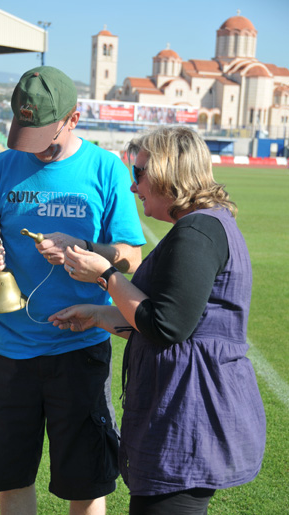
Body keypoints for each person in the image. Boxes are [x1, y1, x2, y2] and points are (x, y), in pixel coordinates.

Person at [0, 66, 146, 515]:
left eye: (44, 135)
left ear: (72, 119)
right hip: (10, 352)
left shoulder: (105, 169)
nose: (35, 150)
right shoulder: (1, 166)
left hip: (81, 351)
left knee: (85, 483)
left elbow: (130, 256)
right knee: (10, 477)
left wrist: (84, 248)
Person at [49, 126, 266, 515]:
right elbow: (166, 319)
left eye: (140, 173)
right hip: (186, 409)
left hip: (189, 415)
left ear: (168, 171)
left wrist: (107, 275)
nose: (135, 186)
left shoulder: (198, 230)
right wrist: (99, 316)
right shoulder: (202, 225)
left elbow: (166, 326)